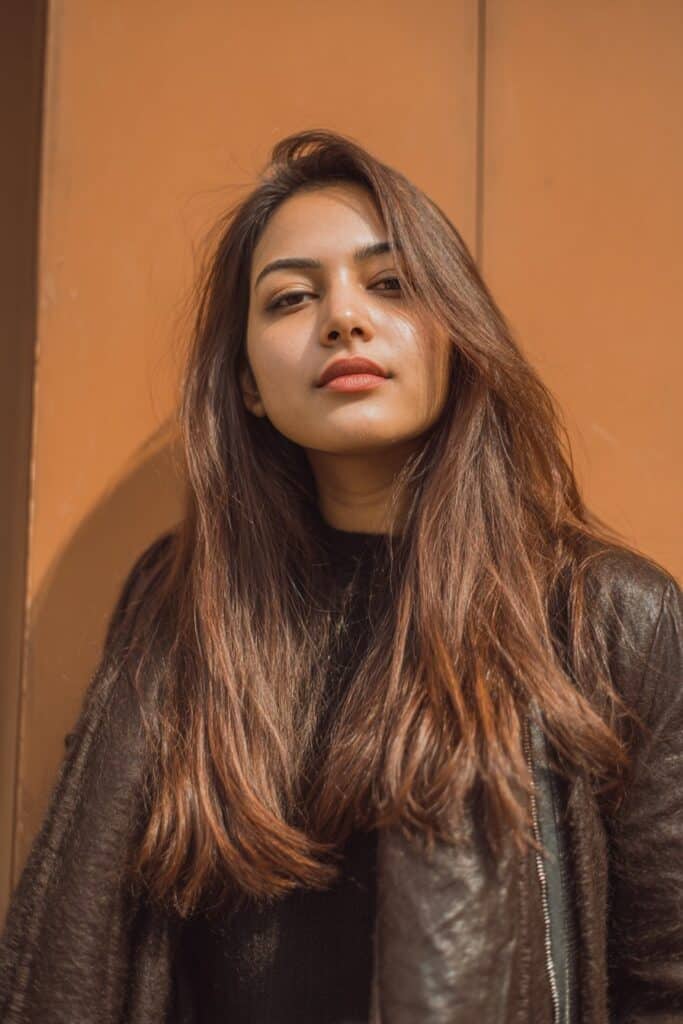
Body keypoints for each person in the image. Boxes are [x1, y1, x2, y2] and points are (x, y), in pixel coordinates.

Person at [0, 128, 681, 1024]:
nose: (343, 318)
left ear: (455, 337)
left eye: (391, 284)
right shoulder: (180, 607)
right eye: (289, 298)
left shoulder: (611, 616)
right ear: (246, 383)